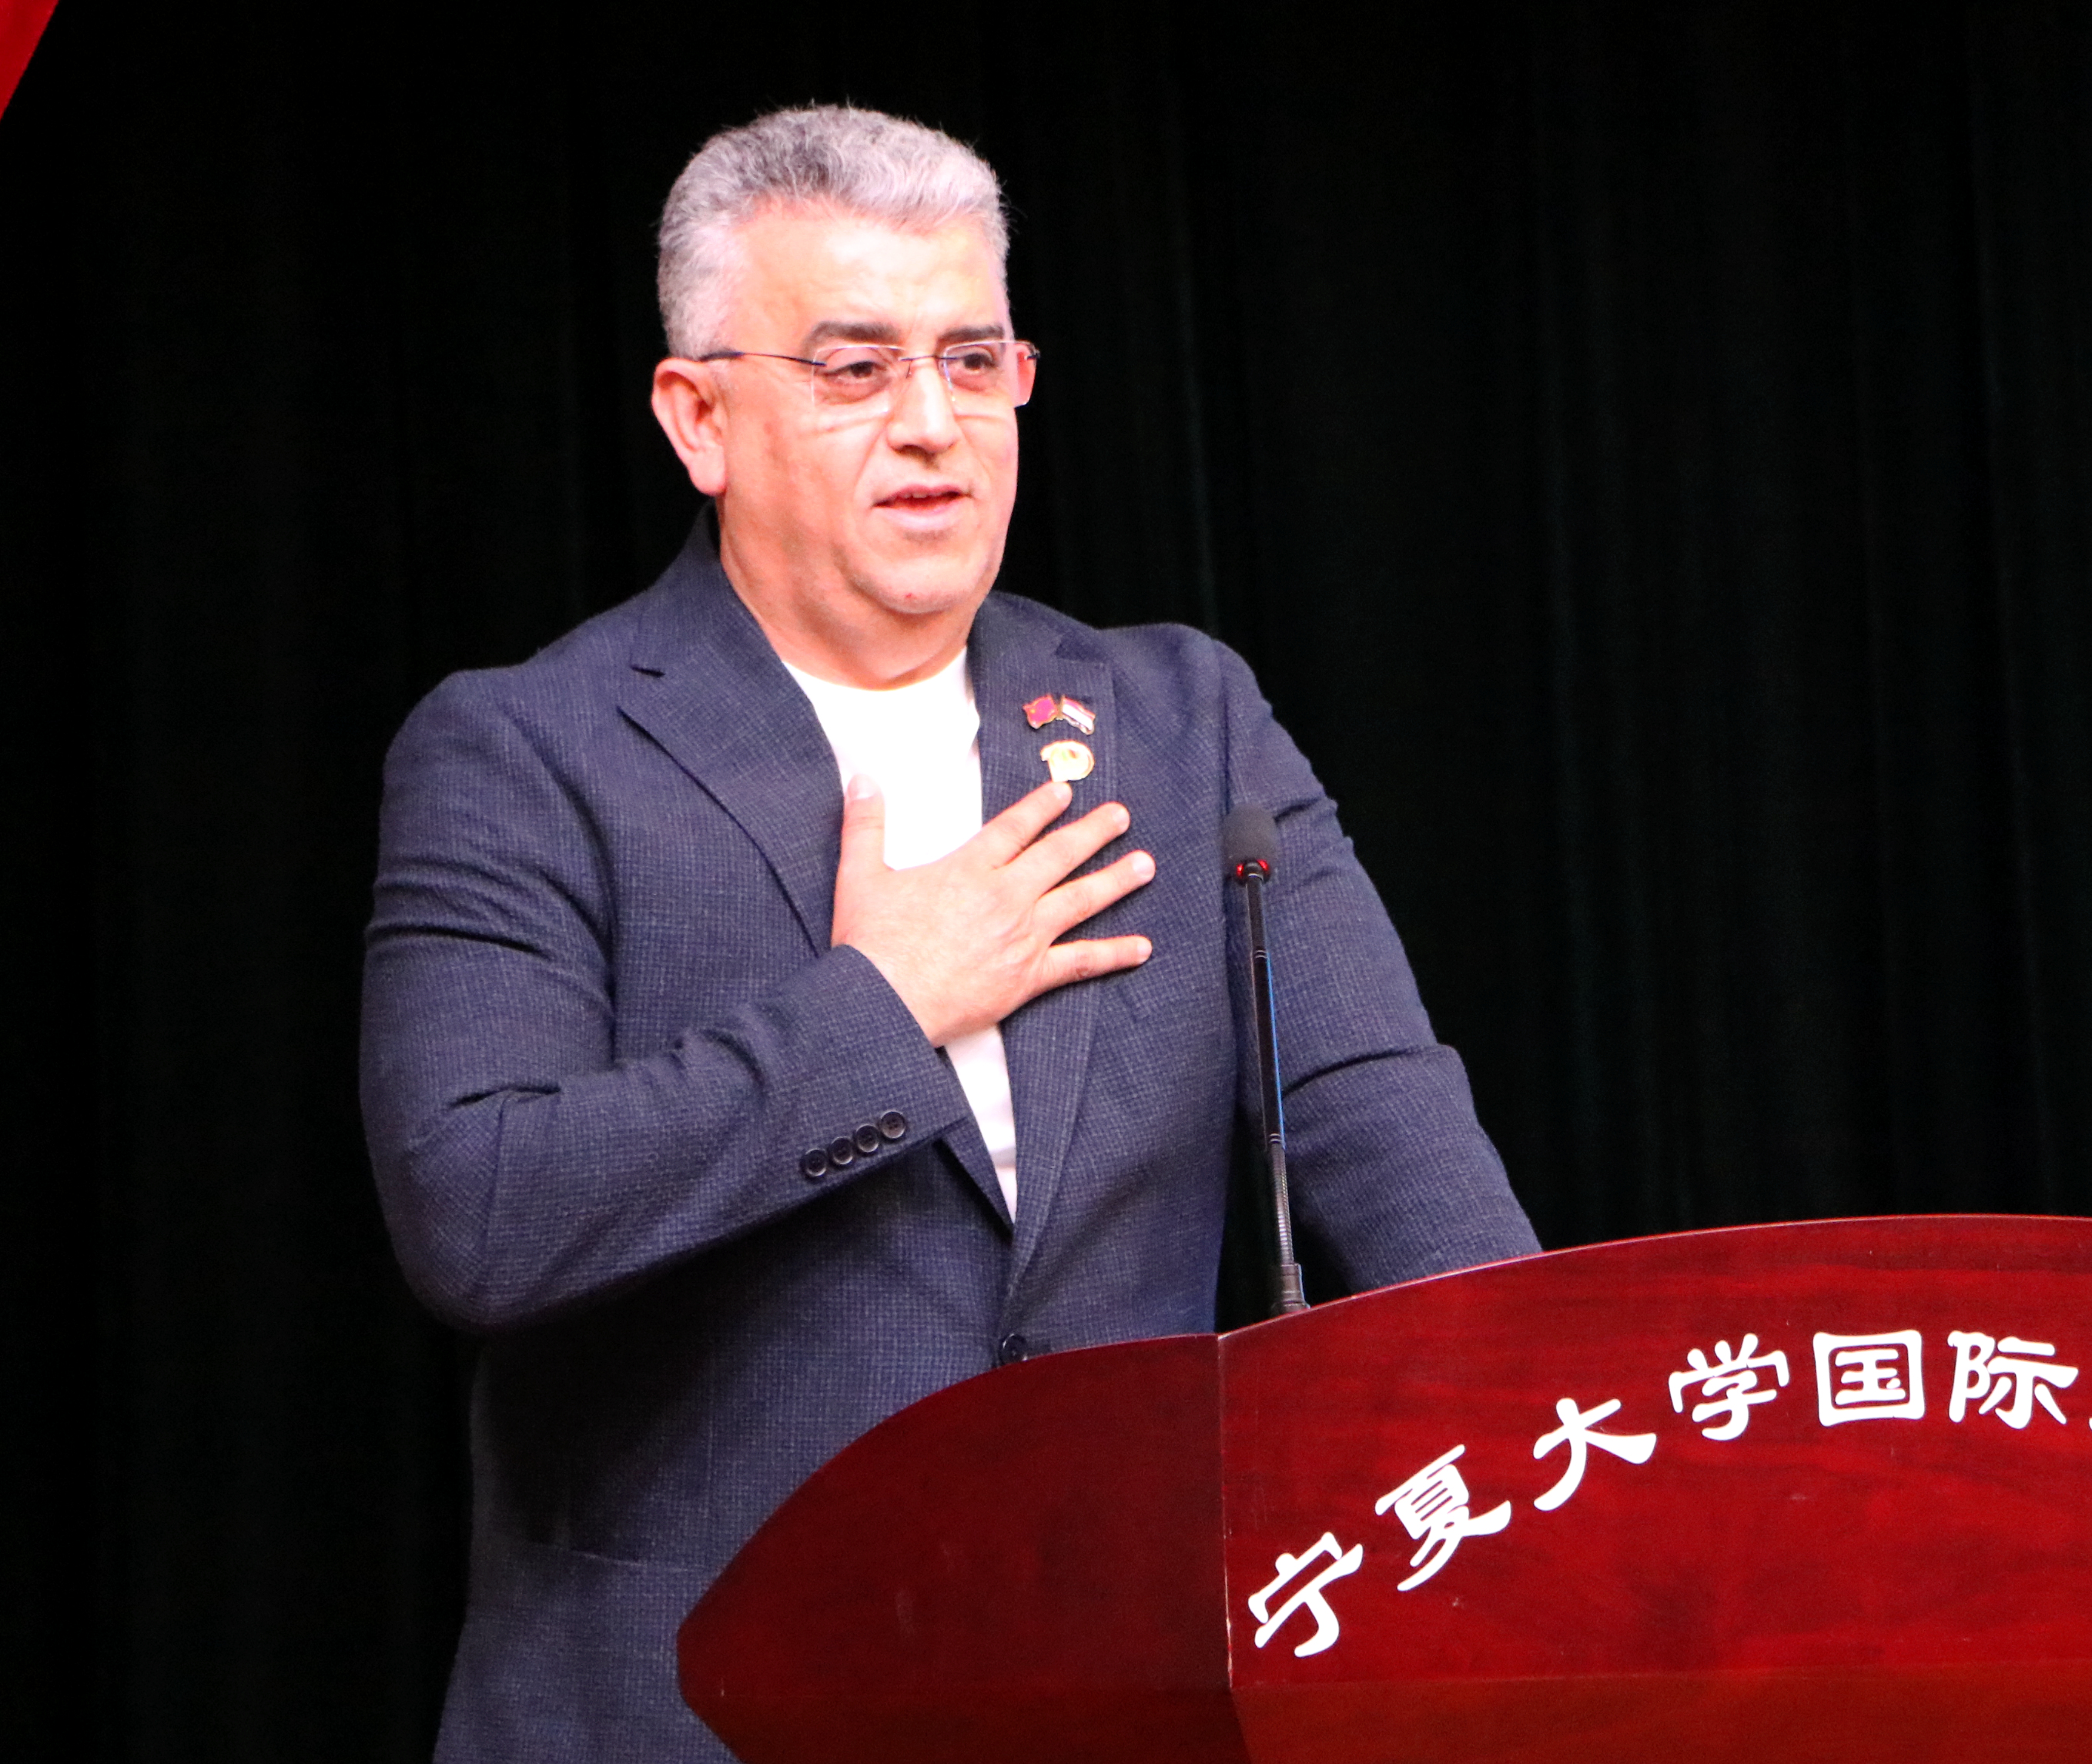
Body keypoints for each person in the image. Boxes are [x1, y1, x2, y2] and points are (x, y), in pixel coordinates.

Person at [359, 105, 1537, 1762]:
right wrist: (879, 1008)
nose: (933, 426)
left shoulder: (1178, 721)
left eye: (974, 363)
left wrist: (1567, 1465)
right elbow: (480, 1214)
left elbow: (1393, 1149)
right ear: (698, 417)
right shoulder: (527, 751)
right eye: (856, 370)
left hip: (1110, 1691)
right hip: (683, 1707)